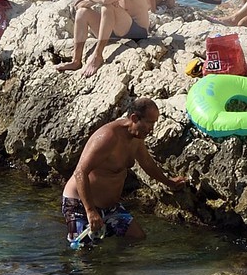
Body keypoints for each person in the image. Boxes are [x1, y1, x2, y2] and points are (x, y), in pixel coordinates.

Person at [61, 99, 180, 248]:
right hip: (80, 204)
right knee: (83, 253)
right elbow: (80, 172)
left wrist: (169, 182)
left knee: (137, 238)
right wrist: (90, 211)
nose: (152, 129)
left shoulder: (136, 137)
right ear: (135, 118)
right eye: (150, 123)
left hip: (109, 206)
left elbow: (147, 163)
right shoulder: (108, 137)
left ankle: (116, 265)